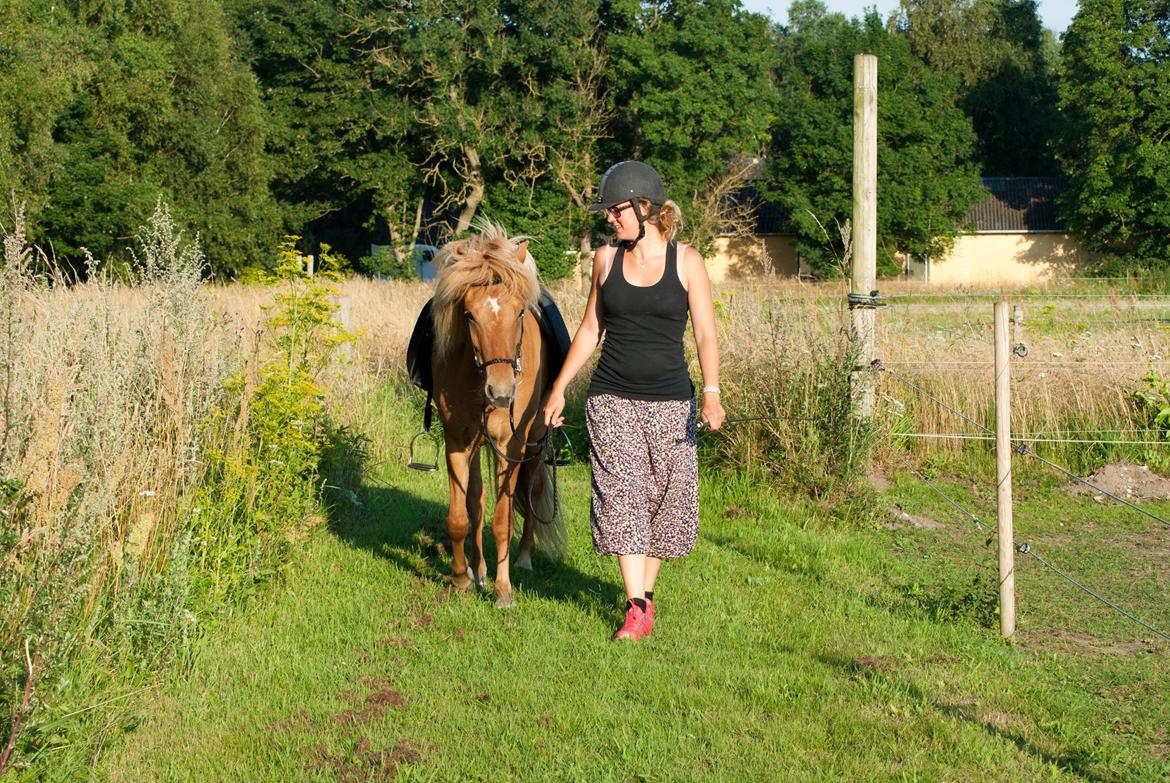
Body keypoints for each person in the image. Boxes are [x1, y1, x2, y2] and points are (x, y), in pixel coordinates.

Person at [543, 160, 725, 641]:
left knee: (666, 501)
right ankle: (636, 605)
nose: (610, 218)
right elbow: (589, 330)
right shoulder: (605, 260)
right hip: (612, 396)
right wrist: (559, 388)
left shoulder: (688, 262)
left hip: (673, 400)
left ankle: (643, 599)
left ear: (645, 208)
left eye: (617, 209)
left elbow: (705, 333)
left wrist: (711, 393)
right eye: (608, 212)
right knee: (621, 496)